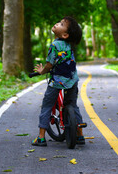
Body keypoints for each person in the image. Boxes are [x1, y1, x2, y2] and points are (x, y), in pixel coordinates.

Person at [32, 16, 85, 147]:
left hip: (57, 81)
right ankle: (80, 135)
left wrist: (41, 71)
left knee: (47, 106)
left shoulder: (55, 45)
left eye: (61, 24)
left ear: (65, 34)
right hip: (72, 80)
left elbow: (50, 65)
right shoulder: (70, 46)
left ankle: (41, 138)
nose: (57, 23)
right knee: (73, 105)